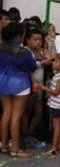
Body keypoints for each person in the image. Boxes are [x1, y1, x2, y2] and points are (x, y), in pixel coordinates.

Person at [0, 22, 37, 157]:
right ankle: (15, 149)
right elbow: (33, 67)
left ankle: (4, 145)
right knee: (16, 116)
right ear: (18, 36)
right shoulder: (24, 52)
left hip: (2, 81)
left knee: (6, 114)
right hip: (20, 83)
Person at [22, 27, 52, 145]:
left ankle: (30, 133)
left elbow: (50, 60)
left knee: (38, 112)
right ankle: (24, 135)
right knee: (27, 111)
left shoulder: (42, 51)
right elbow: (26, 66)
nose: (38, 42)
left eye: (40, 40)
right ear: (28, 40)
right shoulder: (25, 51)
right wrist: (40, 63)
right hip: (29, 83)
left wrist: (45, 52)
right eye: (35, 40)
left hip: (41, 85)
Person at [37, 56, 60, 156]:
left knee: (56, 126)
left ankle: (53, 148)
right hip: (58, 103)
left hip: (57, 103)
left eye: (56, 62)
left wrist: (42, 87)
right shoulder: (59, 75)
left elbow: (56, 92)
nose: (53, 63)